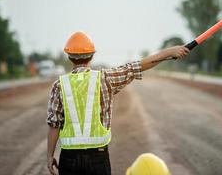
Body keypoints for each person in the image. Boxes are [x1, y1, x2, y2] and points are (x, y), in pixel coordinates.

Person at [46, 31, 189, 175]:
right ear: (92, 55)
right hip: (98, 158)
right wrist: (170, 52)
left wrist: (50, 155)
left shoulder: (59, 85)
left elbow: (54, 125)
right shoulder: (105, 78)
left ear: (69, 57)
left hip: (69, 159)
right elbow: (137, 66)